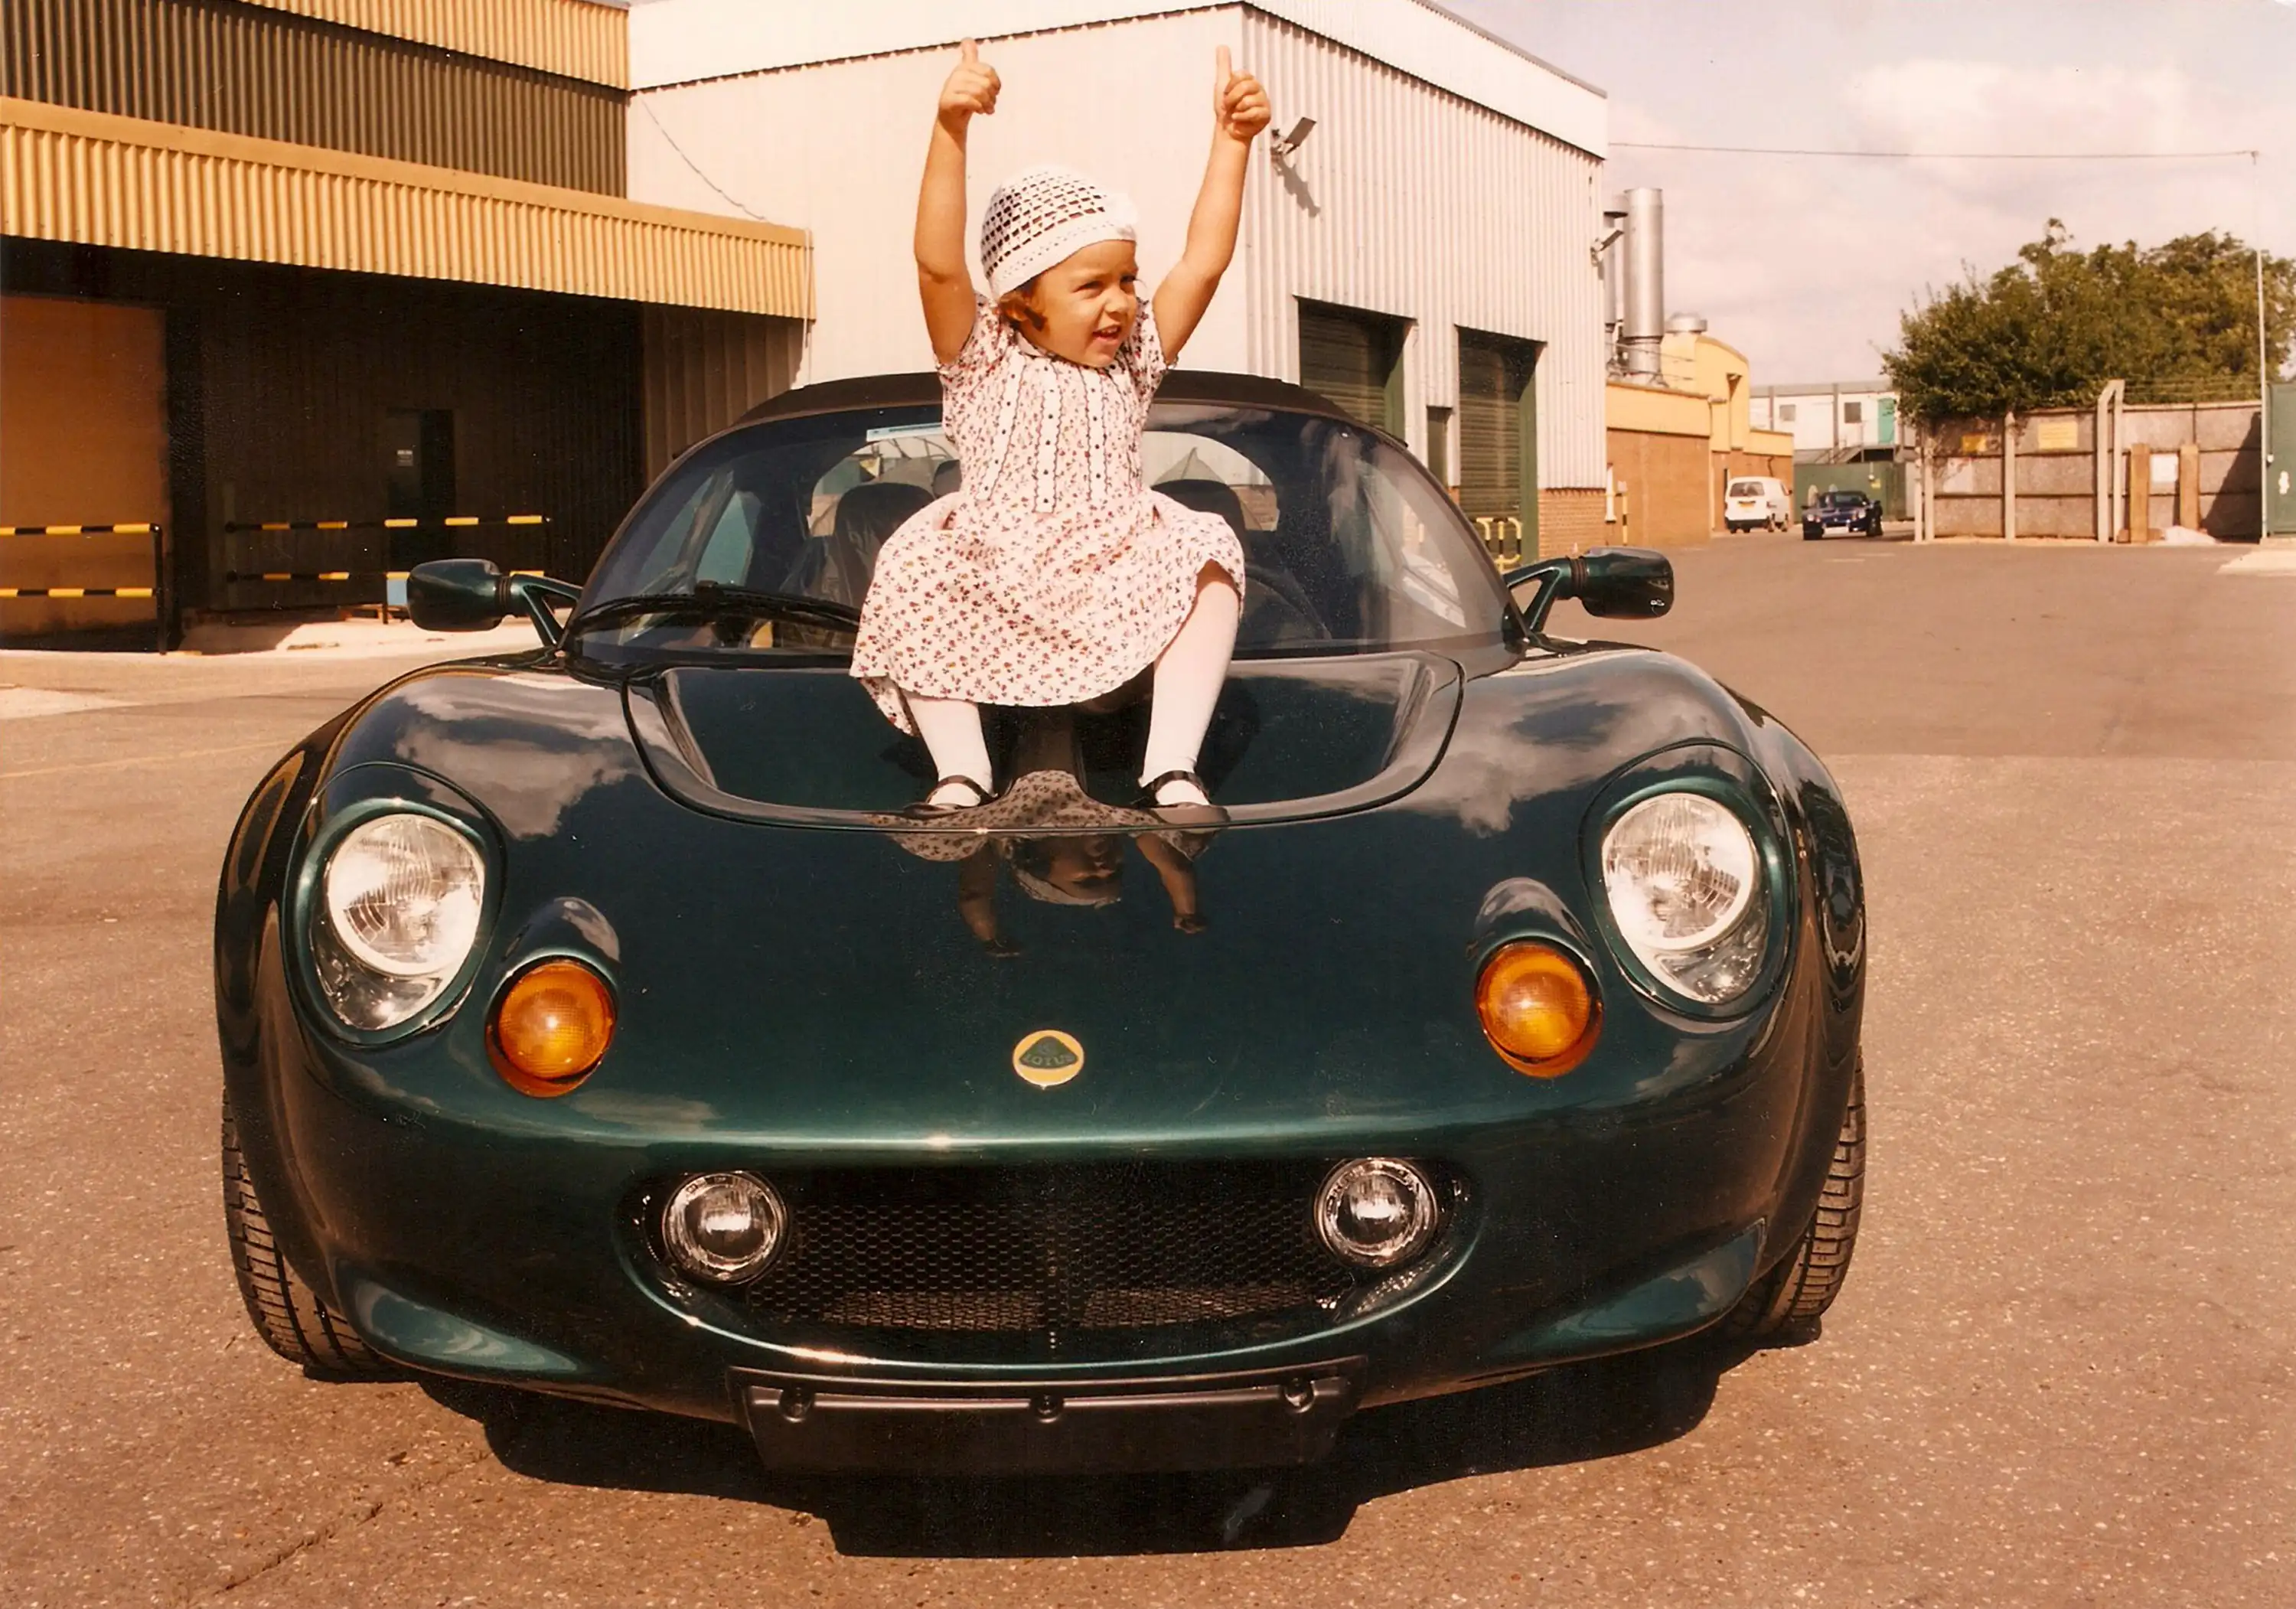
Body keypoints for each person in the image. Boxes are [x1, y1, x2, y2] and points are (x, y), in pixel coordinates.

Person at [847, 37, 1271, 818]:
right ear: (1018, 298)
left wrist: (1233, 143)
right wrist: (950, 129)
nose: (1119, 302)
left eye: (1128, 280)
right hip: (996, 576)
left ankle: (1171, 766)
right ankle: (963, 771)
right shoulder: (980, 354)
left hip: (1113, 574)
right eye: (1091, 284)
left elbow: (1203, 263)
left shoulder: (1135, 358)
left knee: (1208, 549)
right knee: (914, 562)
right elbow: (939, 267)